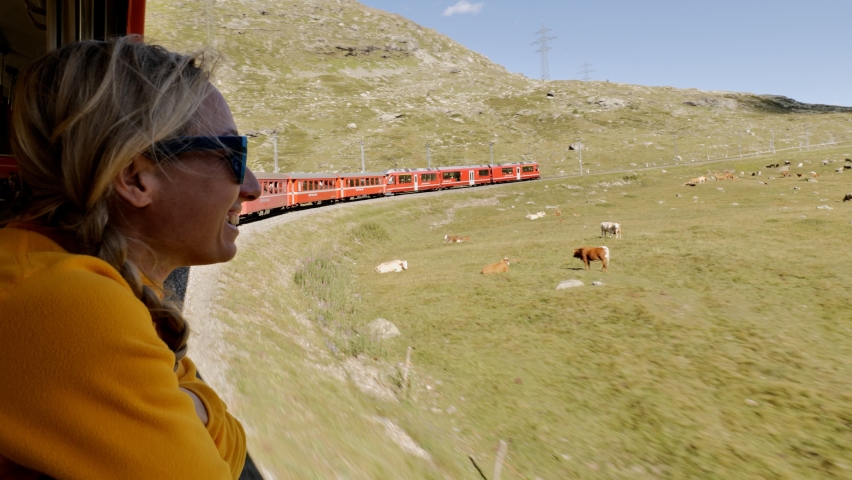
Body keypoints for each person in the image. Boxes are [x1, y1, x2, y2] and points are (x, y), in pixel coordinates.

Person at [0, 37, 260, 478]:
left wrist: (194, 407)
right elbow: (222, 460)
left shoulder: (62, 272)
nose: (252, 186)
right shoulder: (69, 306)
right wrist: (196, 405)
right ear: (136, 177)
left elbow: (231, 445)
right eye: (234, 157)